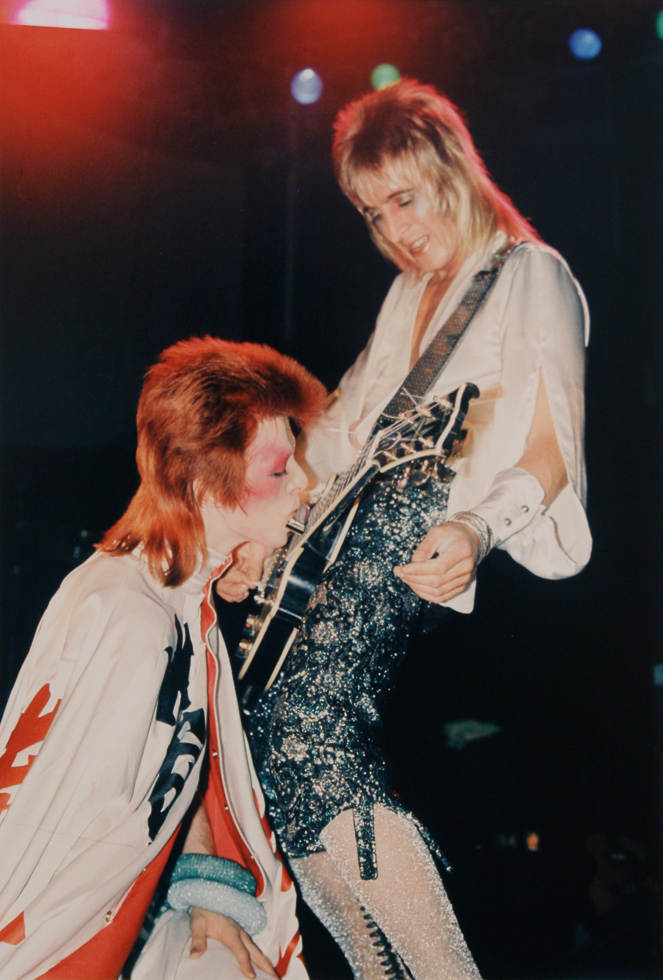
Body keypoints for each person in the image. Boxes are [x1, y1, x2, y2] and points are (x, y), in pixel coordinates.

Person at [220, 79, 592, 979]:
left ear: (452, 169)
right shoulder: (406, 297)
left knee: (309, 732)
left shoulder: (526, 272)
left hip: (435, 535)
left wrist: (473, 527)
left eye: (403, 199)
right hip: (355, 536)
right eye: (369, 211)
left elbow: (551, 449)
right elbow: (339, 432)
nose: (392, 229)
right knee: (277, 748)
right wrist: (248, 527)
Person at [0, 336, 326, 980]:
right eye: (279, 470)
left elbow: (161, 779)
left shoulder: (168, 596)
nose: (306, 486)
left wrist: (203, 886)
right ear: (208, 486)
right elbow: (59, 841)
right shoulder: (135, 618)